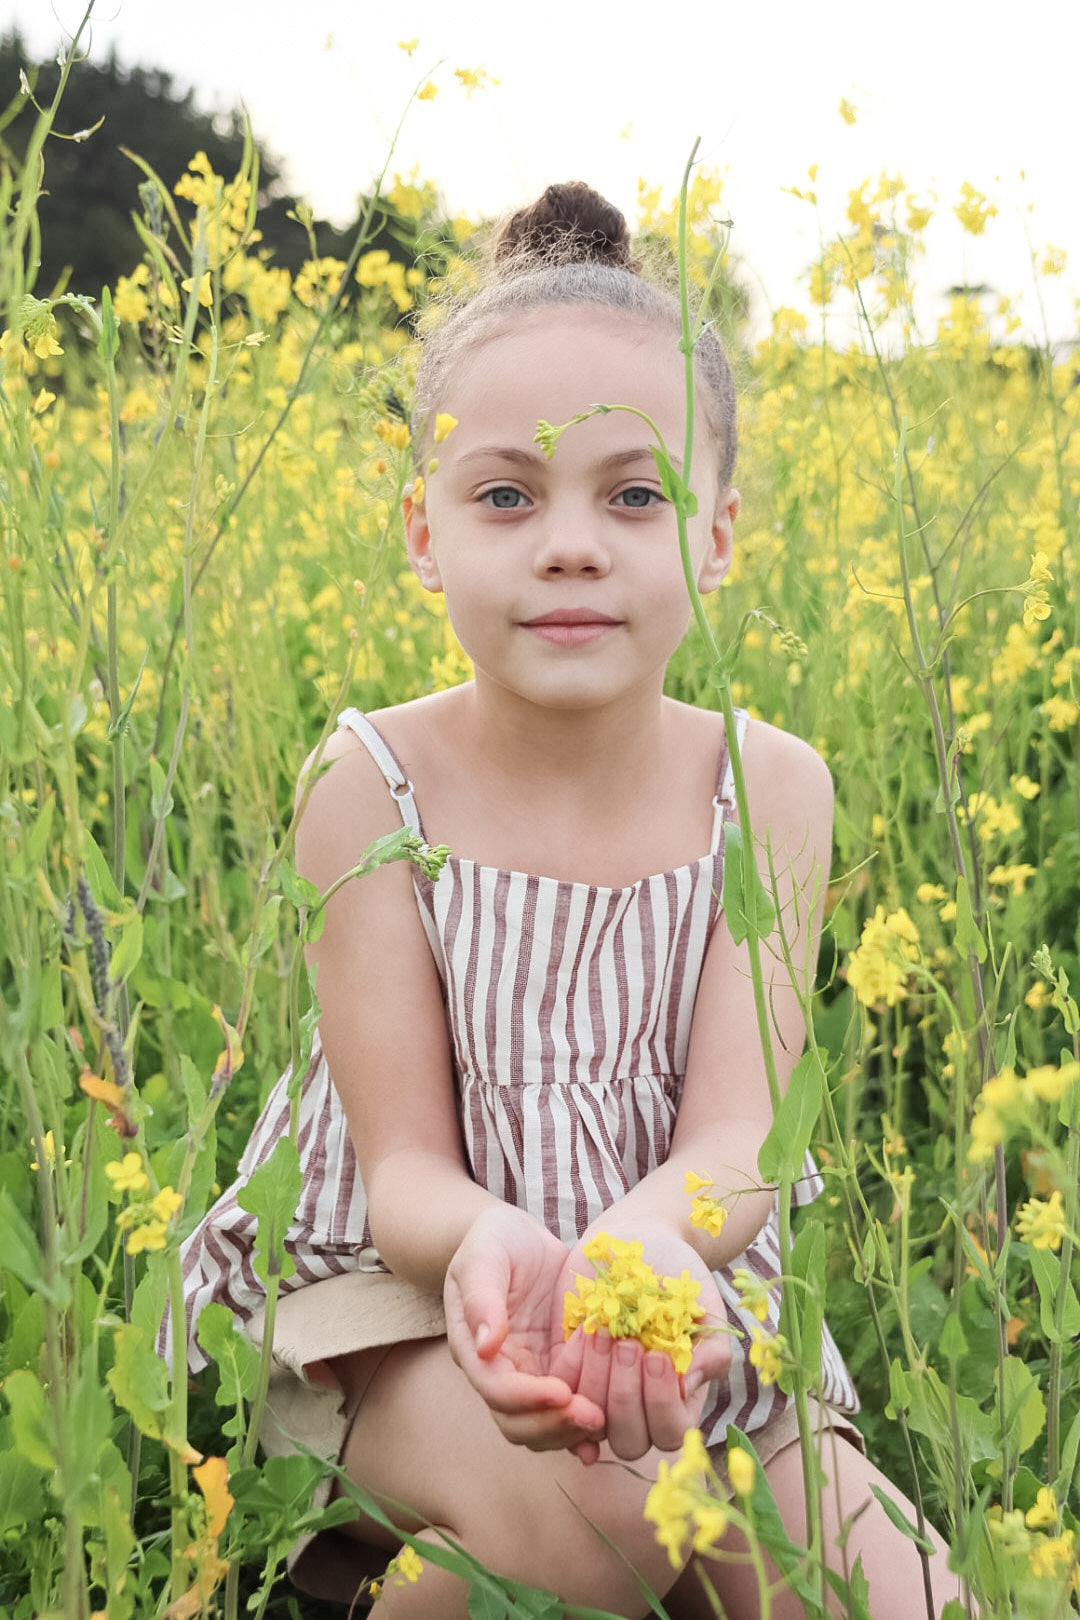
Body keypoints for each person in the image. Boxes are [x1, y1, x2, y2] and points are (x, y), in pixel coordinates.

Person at [177, 183, 956, 1618]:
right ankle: (350, 1579)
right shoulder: (365, 782)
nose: (572, 543)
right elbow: (404, 1168)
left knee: (888, 1597)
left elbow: (735, 1139)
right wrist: (493, 1245)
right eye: (506, 496)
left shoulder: (772, 789)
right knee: (589, 1526)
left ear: (717, 537)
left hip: (681, 1278)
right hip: (411, 1294)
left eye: (635, 494)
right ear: (424, 534)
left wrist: (646, 1257)